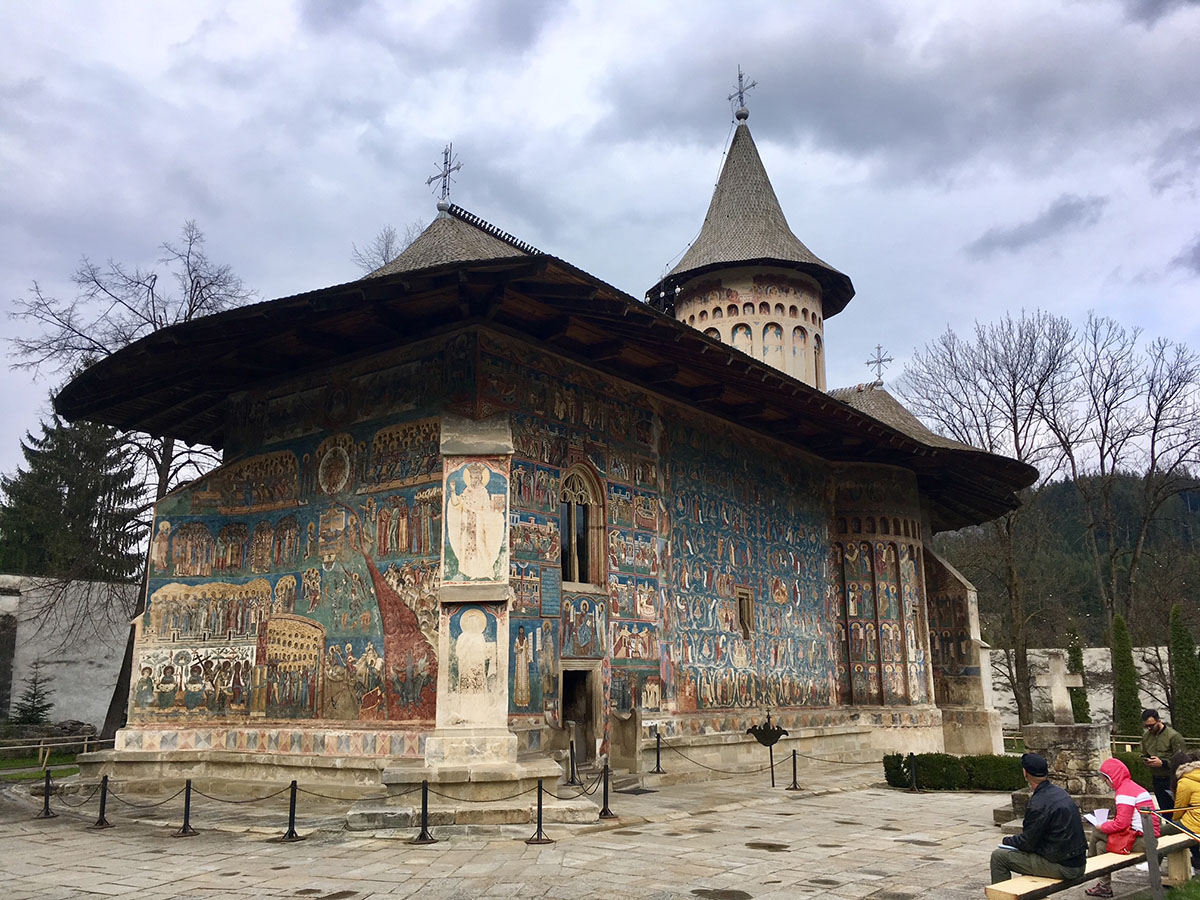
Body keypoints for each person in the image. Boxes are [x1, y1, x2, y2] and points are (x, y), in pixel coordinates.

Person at [990, 753, 1088, 885]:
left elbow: (1027, 842)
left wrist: (1007, 840)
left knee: (999, 857)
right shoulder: (1059, 792)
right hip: (1077, 861)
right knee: (1025, 858)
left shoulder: (1038, 803)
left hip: (1065, 867)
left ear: (1025, 773)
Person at [1083, 757, 1160, 897]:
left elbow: (1121, 824)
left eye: (1105, 780)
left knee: (1097, 831)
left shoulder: (1124, 793)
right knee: (1101, 845)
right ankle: (1104, 886)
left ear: (1111, 777)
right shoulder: (1134, 787)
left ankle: (1088, 865)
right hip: (1148, 837)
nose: (1106, 783)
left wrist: (1103, 826)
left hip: (1142, 840)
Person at [1140, 708, 1188, 812]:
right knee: (1164, 810)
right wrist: (1147, 760)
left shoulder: (1174, 736)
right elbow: (1144, 754)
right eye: (1146, 726)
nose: (1149, 728)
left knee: (1177, 810)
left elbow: (1183, 761)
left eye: (1151, 725)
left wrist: (1163, 763)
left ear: (1159, 721)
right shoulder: (1146, 737)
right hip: (1157, 779)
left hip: (1172, 778)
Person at [1170, 750, 1200, 873]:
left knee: (1159, 834)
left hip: (1195, 823)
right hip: (1195, 820)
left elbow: (1179, 809)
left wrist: (1173, 822)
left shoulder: (1184, 781)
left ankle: (1154, 865)